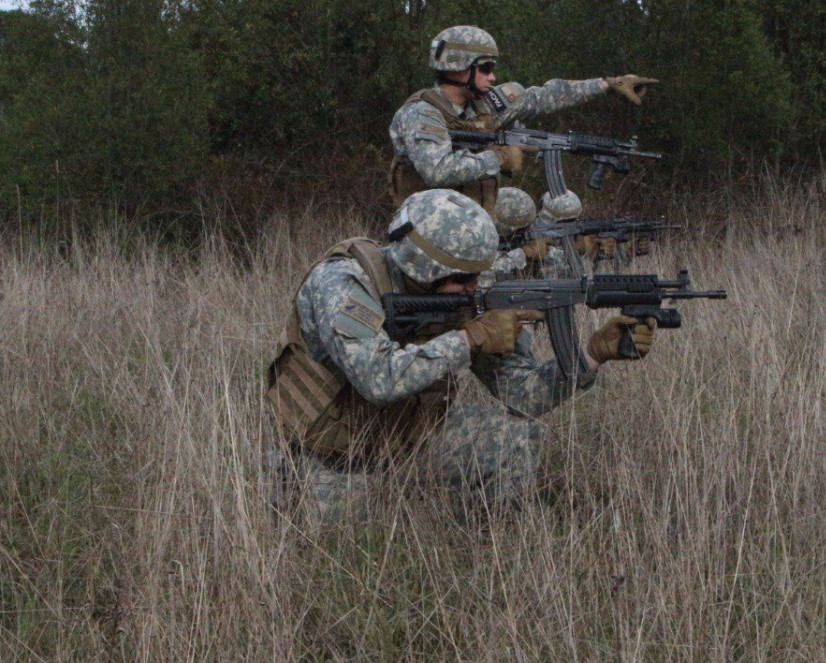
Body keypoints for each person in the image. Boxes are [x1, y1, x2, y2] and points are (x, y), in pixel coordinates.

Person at [266, 189, 656, 519]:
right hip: (328, 457)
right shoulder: (344, 282)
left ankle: (488, 555)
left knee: (516, 437)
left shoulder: (467, 295)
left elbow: (522, 395)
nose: (475, 287)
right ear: (422, 268)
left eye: (477, 275)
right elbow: (377, 379)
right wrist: (470, 339)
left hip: (408, 443)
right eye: (463, 279)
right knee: (339, 543)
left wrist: (589, 357)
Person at [388, 25, 658, 216]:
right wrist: (499, 158)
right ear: (458, 68)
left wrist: (607, 84)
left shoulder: (485, 104)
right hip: (426, 239)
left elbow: (544, 97)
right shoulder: (422, 113)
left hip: (475, 231)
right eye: (485, 68)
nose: (492, 77)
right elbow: (437, 170)